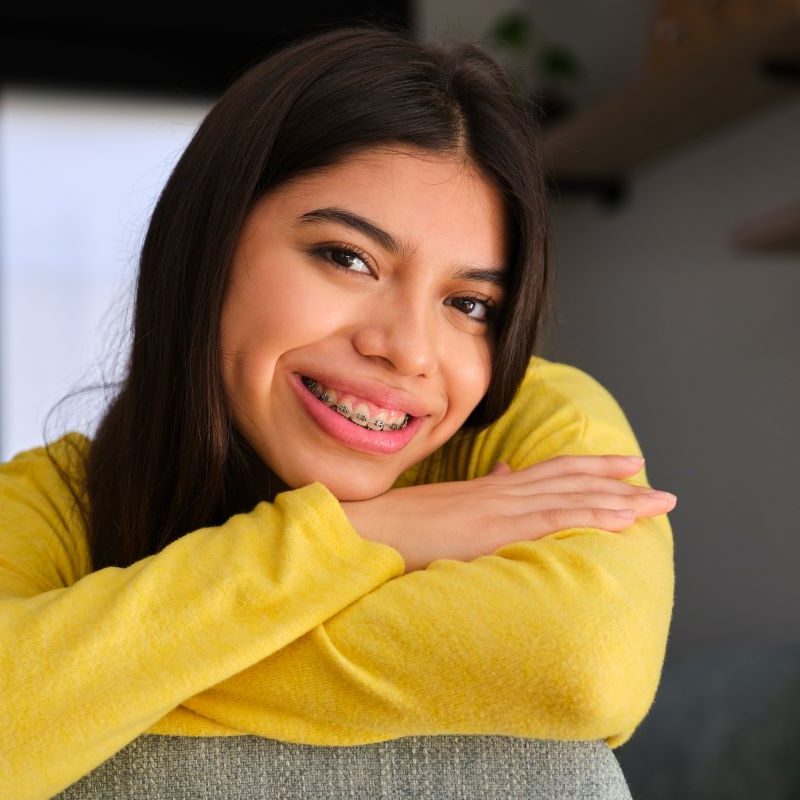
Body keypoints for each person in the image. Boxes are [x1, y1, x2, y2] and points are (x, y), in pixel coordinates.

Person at [0, 25, 675, 800]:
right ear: (209, 244)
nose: (408, 350)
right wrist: (360, 534)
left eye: (469, 303)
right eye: (348, 258)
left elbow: (583, 666)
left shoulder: (535, 424)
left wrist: (89, 678)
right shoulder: (53, 501)